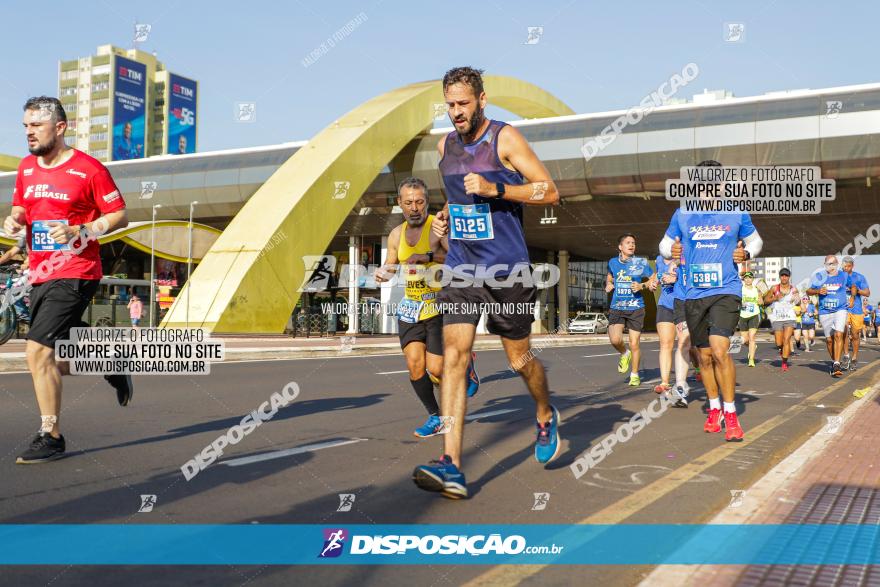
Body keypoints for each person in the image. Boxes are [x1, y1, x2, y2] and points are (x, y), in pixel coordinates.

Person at [412, 67, 561, 499]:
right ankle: (452, 465)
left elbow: (549, 191)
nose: (456, 112)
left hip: (507, 270)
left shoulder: (505, 138)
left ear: (481, 100)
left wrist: (498, 189)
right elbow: (461, 199)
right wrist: (446, 215)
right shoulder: (445, 146)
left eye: (463, 103)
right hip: (461, 265)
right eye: (450, 105)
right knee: (456, 355)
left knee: (520, 361)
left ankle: (545, 412)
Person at [4, 96, 132, 464]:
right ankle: (108, 359)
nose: (28, 132)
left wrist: (83, 228)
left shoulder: (89, 169)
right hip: (39, 273)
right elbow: (22, 208)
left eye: (36, 126)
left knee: (37, 351)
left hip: (77, 270)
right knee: (56, 359)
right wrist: (15, 221)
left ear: (60, 128)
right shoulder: (27, 168)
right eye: (25, 126)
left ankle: (51, 435)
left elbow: (119, 214)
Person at [660, 159, 763, 442]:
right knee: (703, 358)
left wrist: (747, 254)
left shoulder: (736, 213)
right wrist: (673, 248)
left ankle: (731, 414)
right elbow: (664, 245)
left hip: (726, 289)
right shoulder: (682, 213)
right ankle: (714, 407)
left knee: (719, 350)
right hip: (693, 293)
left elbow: (755, 241)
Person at [375, 177, 478, 438]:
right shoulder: (396, 234)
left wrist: (427, 257)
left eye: (419, 202)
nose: (414, 207)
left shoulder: (437, 227)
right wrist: (383, 273)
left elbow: (457, 258)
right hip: (411, 307)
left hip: (438, 305)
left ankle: (465, 368)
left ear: (427, 203)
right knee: (414, 366)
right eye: (408, 202)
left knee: (435, 369)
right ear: (400, 204)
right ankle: (436, 417)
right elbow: (392, 264)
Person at [606, 234, 657, 387]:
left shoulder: (640, 262)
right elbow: (609, 277)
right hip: (617, 306)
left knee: (634, 343)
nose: (632, 245)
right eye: (628, 243)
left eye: (633, 243)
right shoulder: (613, 262)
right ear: (620, 247)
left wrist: (641, 286)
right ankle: (624, 353)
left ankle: (634, 374)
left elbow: (654, 277)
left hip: (636, 306)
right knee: (615, 339)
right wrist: (609, 284)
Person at [806, 255, 851, 378]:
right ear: (825, 264)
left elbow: (853, 286)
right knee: (829, 340)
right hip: (825, 311)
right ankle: (835, 361)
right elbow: (808, 291)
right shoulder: (820, 276)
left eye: (833, 263)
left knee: (838, 334)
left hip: (840, 310)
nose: (831, 265)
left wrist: (852, 298)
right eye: (828, 263)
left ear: (837, 264)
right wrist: (817, 291)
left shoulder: (844, 275)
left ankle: (836, 363)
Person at [654, 254, 688, 406]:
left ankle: (681, 386)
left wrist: (676, 279)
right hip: (665, 305)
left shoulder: (688, 255)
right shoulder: (659, 259)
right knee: (666, 343)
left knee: (684, 344)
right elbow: (657, 275)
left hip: (683, 304)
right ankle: (665, 385)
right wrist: (653, 282)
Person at [763, 268, 799, 372]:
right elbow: (765, 301)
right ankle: (782, 350)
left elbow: (798, 302)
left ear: (789, 277)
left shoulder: (793, 289)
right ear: (780, 277)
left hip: (790, 318)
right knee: (779, 343)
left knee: (786, 339)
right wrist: (775, 298)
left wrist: (796, 299)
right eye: (782, 275)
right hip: (777, 318)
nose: (784, 277)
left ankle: (784, 362)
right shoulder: (774, 288)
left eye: (786, 276)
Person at [841, 256, 870, 370]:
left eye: (848, 266)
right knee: (843, 331)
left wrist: (857, 290)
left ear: (852, 266)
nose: (846, 268)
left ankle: (854, 358)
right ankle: (846, 356)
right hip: (843, 309)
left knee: (855, 335)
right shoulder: (839, 277)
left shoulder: (859, 277)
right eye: (844, 266)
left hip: (856, 309)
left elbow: (867, 293)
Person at [738, 271, 762, 367]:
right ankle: (753, 346)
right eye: (746, 278)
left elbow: (761, 302)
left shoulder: (757, 290)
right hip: (743, 315)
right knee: (745, 340)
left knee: (752, 337)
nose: (748, 279)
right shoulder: (740, 289)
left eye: (750, 278)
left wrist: (760, 300)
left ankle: (751, 360)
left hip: (754, 315)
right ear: (744, 279)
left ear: (752, 279)